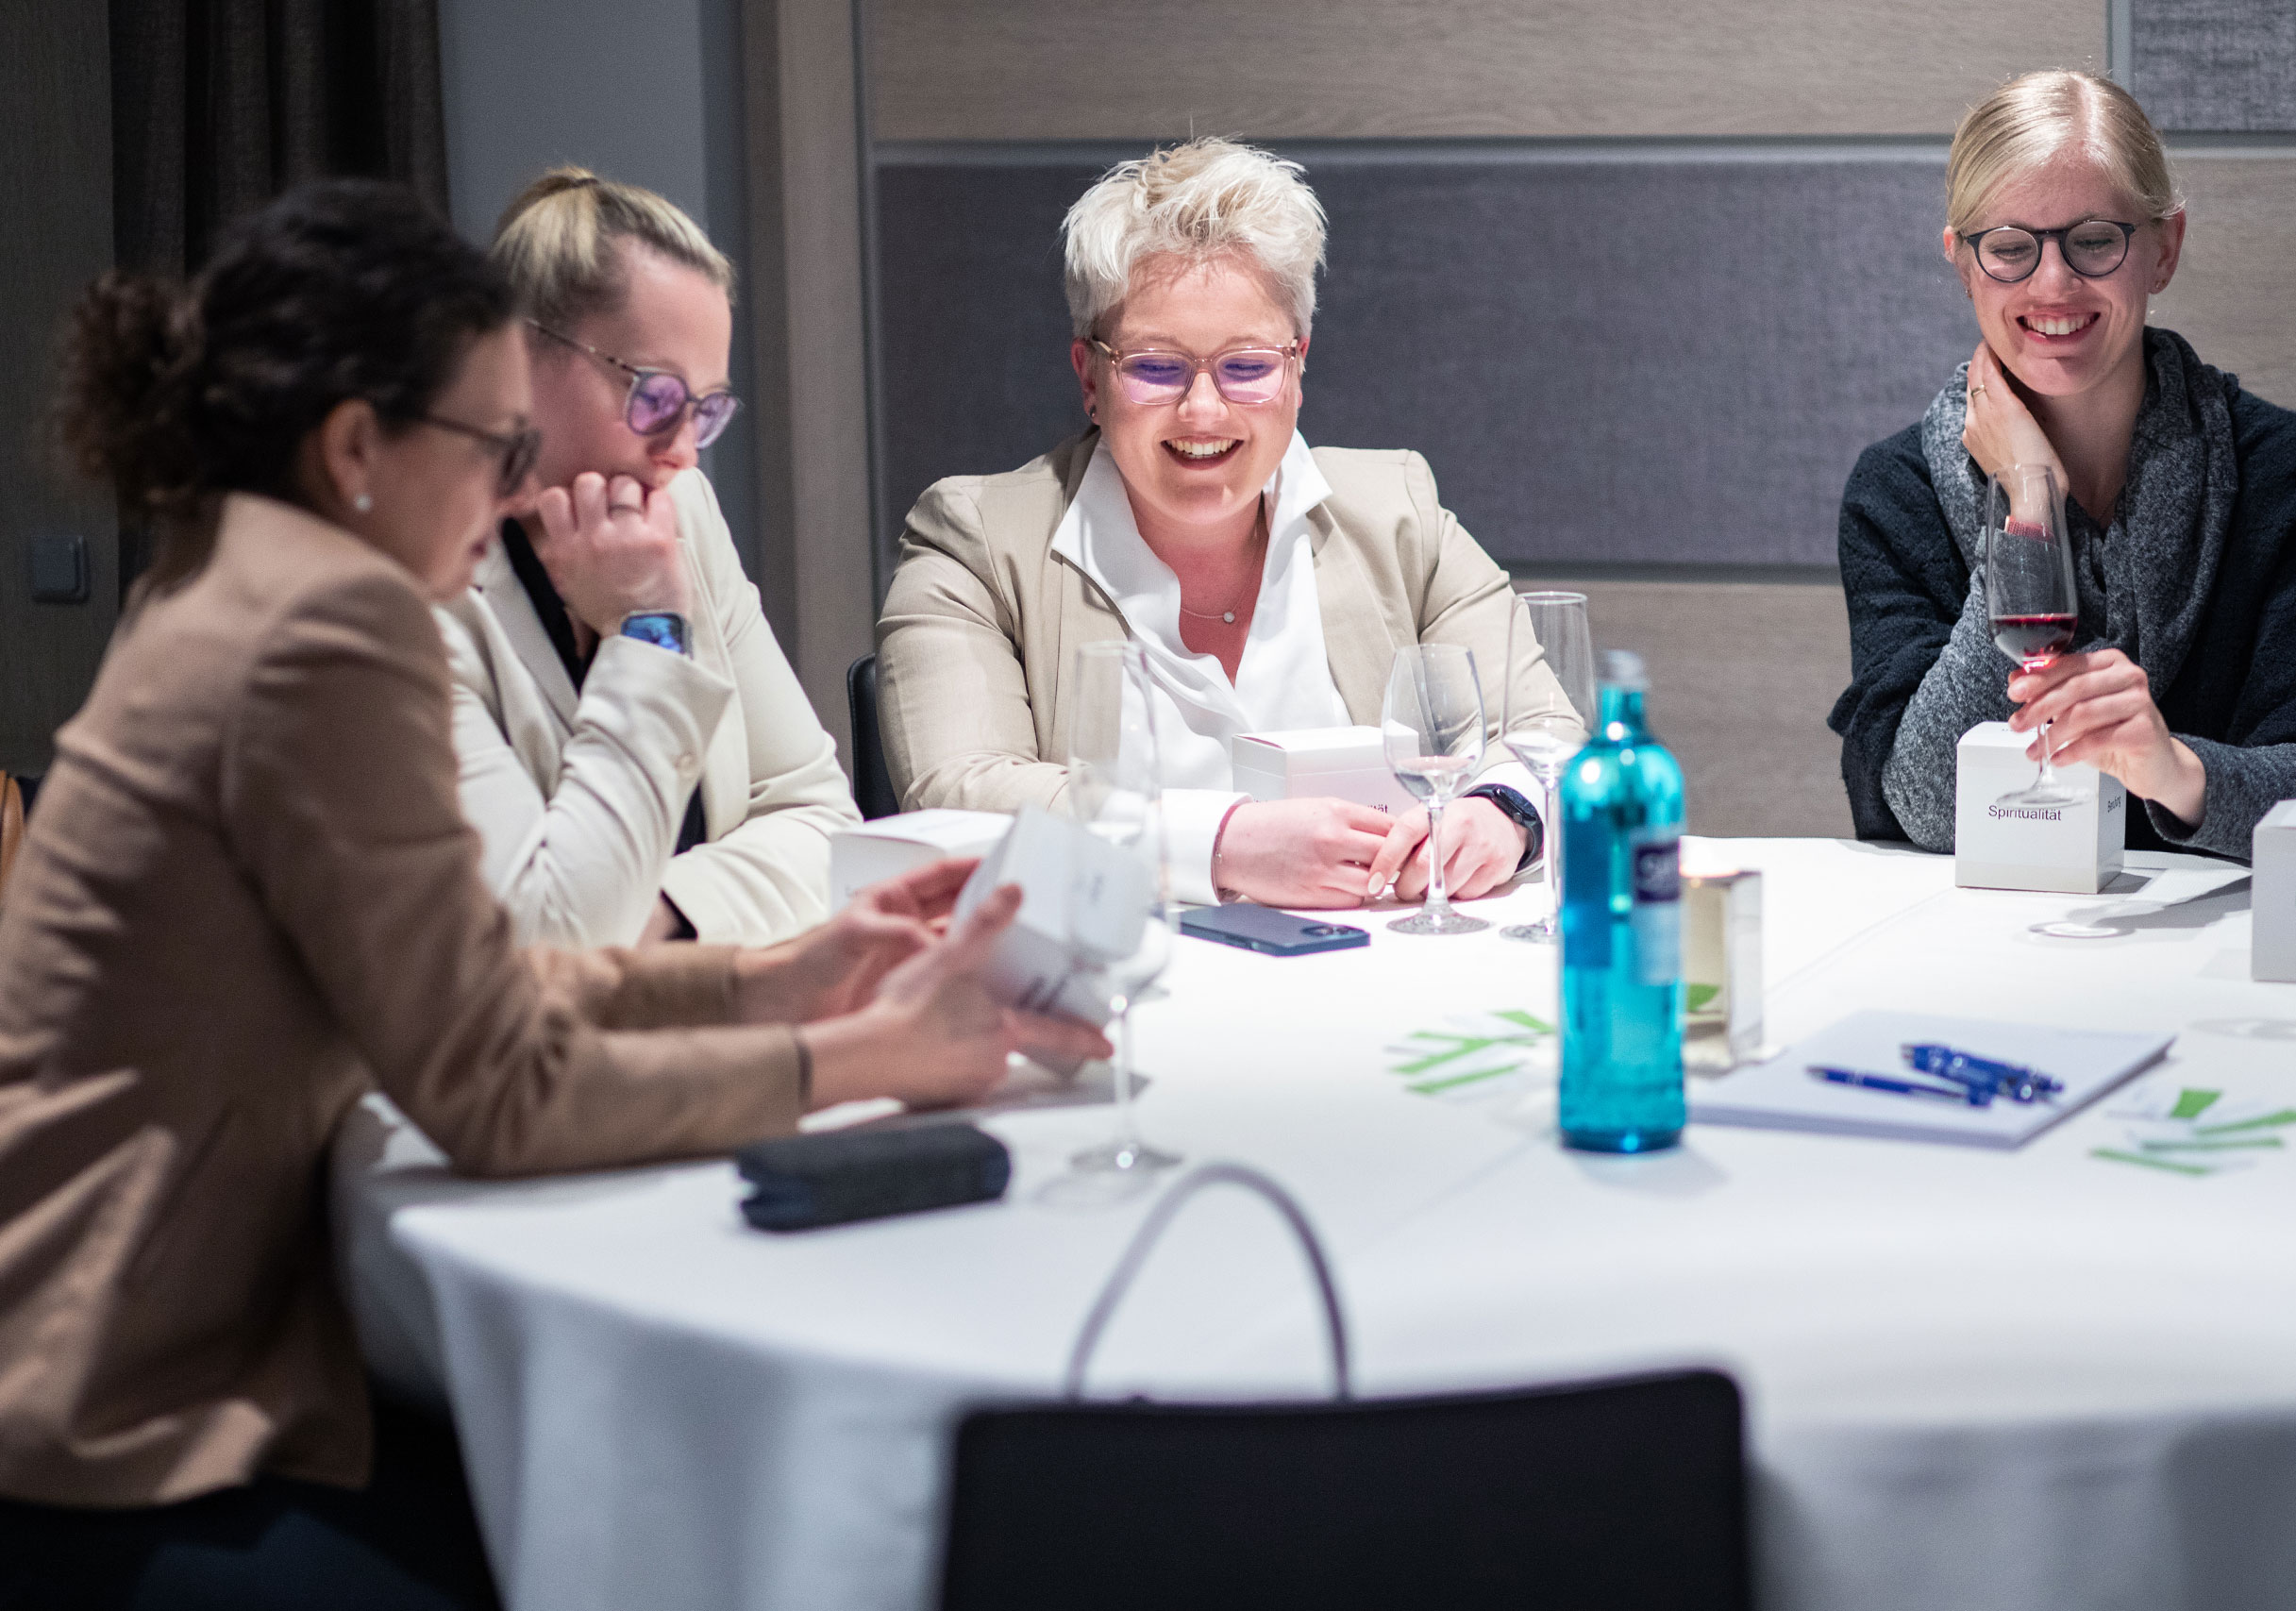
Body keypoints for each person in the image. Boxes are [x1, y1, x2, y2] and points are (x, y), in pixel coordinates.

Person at [0, 180, 1104, 1608]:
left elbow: (464, 973)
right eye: (488, 440)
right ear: (355, 448)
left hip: (165, 1337)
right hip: (131, 1413)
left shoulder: (243, 579)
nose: (512, 475)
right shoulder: (326, 631)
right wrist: (868, 1053)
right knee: (692, 1544)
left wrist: (776, 974)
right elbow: (496, 1090)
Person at [876, 137, 1576, 909]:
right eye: (1155, 366)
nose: (1203, 410)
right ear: (1090, 376)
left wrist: (1501, 813)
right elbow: (957, 795)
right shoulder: (974, 543)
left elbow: (1552, 735)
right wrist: (1227, 843)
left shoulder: (1398, 512)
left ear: (1297, 367)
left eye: (1246, 366)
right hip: (1111, 997)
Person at [1829, 70, 2296, 859]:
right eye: (2011, 248)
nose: (2053, 283)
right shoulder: (1896, 491)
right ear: (1962, 265)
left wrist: (2175, 769)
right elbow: (1920, 800)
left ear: (2164, 248)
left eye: (2093, 241)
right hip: (1978, 948)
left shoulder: (2288, 471)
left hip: (2223, 954)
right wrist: (2027, 501)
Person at [443, 167, 858, 948]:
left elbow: (819, 814)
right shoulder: (416, 586)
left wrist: (660, 914)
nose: (684, 458)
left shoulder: (683, 515)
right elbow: (538, 940)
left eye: (704, 413)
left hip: (696, 1017)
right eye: (656, 399)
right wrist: (649, 628)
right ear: (517, 355)